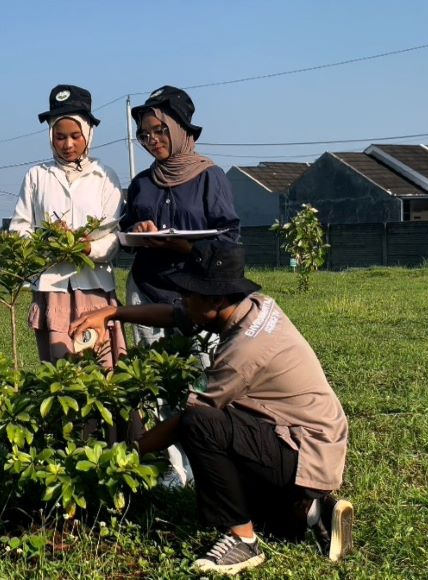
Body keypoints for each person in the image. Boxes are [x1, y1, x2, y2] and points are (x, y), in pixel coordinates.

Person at [70, 240, 353, 575]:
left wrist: (124, 456)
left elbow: (190, 419)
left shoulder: (243, 351)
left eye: (191, 294)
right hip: (309, 439)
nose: (184, 300)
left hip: (305, 447)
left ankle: (242, 539)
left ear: (217, 298)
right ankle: (310, 508)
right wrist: (111, 312)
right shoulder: (252, 307)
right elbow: (176, 314)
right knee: (276, 522)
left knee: (200, 423)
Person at [122, 85, 242, 486]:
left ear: (180, 129)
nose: (152, 140)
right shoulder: (142, 183)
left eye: (159, 130)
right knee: (155, 380)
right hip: (147, 289)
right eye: (144, 134)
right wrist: (137, 229)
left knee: (199, 379)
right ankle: (176, 468)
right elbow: (125, 229)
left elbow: (228, 239)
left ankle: (205, 459)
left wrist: (185, 245)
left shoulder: (211, 177)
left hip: (196, 298)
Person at [9, 83, 126, 367]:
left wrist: (89, 248)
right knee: (60, 370)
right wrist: (46, 241)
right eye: (60, 137)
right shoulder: (37, 176)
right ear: (51, 136)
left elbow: (114, 235)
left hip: (95, 287)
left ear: (88, 133)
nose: (68, 144)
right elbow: (19, 227)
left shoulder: (104, 177)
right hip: (54, 288)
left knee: (104, 366)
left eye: (75, 136)